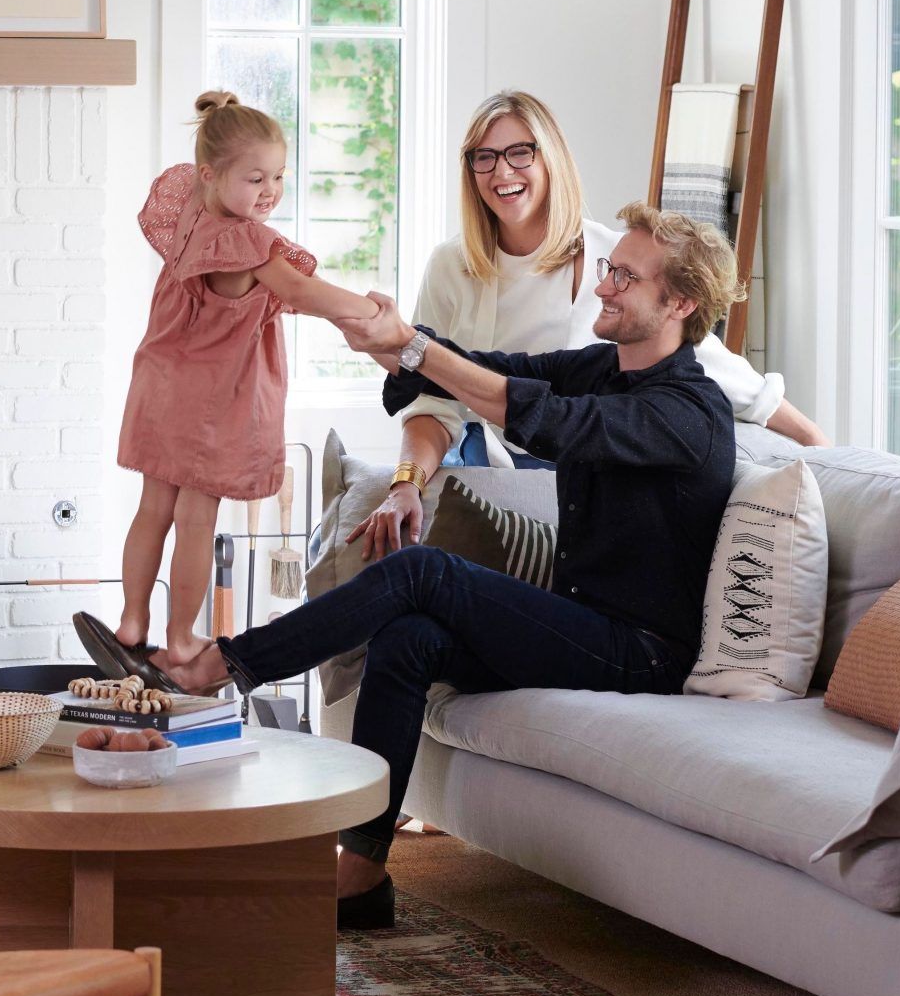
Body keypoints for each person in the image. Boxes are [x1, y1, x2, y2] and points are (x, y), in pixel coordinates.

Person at [159, 203, 742, 932]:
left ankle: (222, 664)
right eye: (608, 268)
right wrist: (396, 342)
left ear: (679, 303)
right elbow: (497, 371)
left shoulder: (690, 412)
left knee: (423, 572)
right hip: (585, 623)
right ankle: (362, 876)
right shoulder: (605, 369)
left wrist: (414, 348)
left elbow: (537, 414)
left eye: (624, 275)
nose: (603, 285)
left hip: (641, 652)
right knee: (408, 637)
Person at [357, 90, 823, 561]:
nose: (501, 172)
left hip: (580, 485)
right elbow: (437, 396)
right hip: (487, 473)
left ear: (551, 159)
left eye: (520, 152)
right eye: (485, 157)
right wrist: (405, 483)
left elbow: (717, 368)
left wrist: (820, 448)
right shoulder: (450, 266)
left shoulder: (614, 261)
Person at [81, 91, 384, 671]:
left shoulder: (193, 209)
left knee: (152, 510)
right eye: (255, 178)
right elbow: (301, 292)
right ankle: (182, 638)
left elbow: (203, 197)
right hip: (211, 404)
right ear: (212, 175)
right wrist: (367, 311)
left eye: (278, 177)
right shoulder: (246, 241)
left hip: (159, 383)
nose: (269, 191)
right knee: (197, 520)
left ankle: (132, 618)